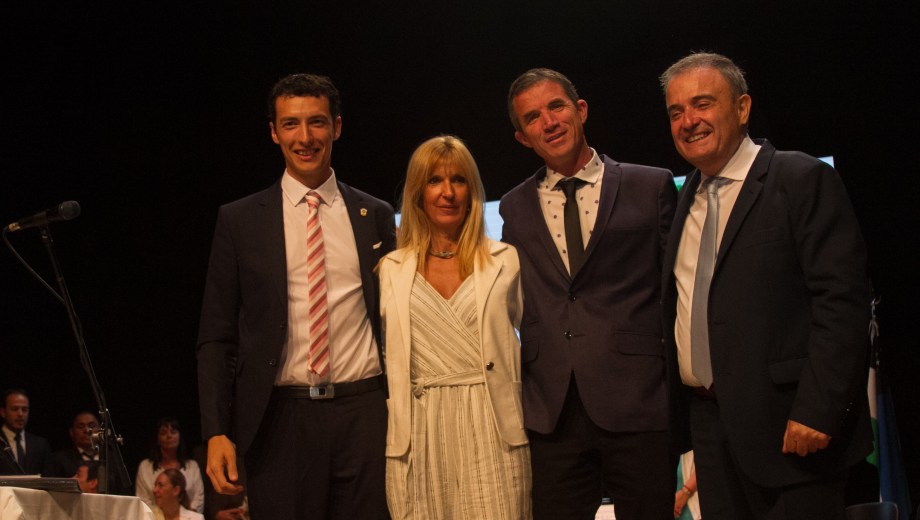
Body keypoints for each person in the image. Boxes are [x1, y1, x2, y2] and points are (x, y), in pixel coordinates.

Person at [659, 52, 872, 519]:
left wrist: (818, 410)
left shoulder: (801, 178)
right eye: (676, 112)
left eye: (702, 104)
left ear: (742, 108)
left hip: (791, 431)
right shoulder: (683, 198)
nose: (688, 121)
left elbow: (842, 303)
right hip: (711, 432)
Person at [197, 73, 396, 519]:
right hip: (279, 421)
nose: (305, 138)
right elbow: (216, 336)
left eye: (317, 122)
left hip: (365, 414)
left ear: (337, 127)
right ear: (274, 132)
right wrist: (216, 430)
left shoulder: (376, 215)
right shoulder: (239, 221)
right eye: (291, 124)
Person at [499, 68, 679, 520]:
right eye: (533, 117)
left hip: (638, 400)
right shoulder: (513, 207)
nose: (549, 122)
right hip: (552, 411)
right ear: (522, 137)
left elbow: (676, 291)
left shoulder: (650, 185)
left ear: (580, 110)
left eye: (556, 107)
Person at [379, 135, 531, 519]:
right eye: (434, 180)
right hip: (418, 433)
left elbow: (536, 343)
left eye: (458, 180)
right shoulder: (390, 270)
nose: (448, 192)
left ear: (472, 191)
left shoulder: (505, 260)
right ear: (418, 193)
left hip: (493, 429)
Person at [136, 418, 205, 513]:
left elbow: (198, 498)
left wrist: (185, 517)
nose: (169, 436)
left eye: (173, 432)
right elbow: (143, 502)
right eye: (164, 433)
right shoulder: (145, 467)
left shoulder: (192, 466)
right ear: (157, 439)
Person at [0, 388, 53, 475]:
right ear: (3, 412)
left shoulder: (40, 444)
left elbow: (49, 477)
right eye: (14, 409)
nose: (20, 414)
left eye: (24, 409)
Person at [51, 411, 100, 478]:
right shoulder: (59, 459)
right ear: (71, 432)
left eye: (91, 426)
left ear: (100, 430)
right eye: (81, 427)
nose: (87, 430)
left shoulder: (111, 456)